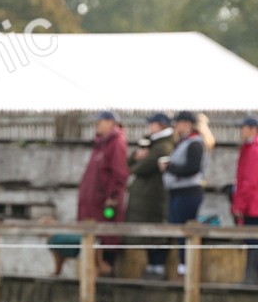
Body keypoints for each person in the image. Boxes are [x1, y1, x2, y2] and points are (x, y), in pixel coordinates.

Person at [76, 110, 129, 276]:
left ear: (111, 122)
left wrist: (112, 197)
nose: (96, 125)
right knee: (93, 238)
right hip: (92, 206)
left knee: (106, 238)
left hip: (105, 205)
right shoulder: (100, 144)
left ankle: (106, 276)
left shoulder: (116, 143)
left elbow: (119, 173)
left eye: (99, 122)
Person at [125, 113, 177, 278]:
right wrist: (136, 156)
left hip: (155, 197)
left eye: (152, 124)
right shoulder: (149, 142)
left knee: (156, 233)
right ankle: (151, 266)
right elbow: (131, 162)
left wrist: (138, 163)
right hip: (144, 198)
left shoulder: (164, 145)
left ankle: (158, 267)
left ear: (161, 125)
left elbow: (143, 167)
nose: (149, 127)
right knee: (146, 233)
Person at [160, 110, 208, 276]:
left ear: (186, 123)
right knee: (179, 230)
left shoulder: (194, 143)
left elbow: (193, 168)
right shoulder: (183, 142)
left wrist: (169, 168)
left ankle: (188, 267)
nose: (175, 126)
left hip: (188, 193)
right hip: (178, 192)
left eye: (178, 122)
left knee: (185, 231)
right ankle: (183, 265)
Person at [231, 115, 258, 284]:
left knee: (253, 242)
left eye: (243, 127)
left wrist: (239, 205)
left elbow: (249, 181)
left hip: (253, 207)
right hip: (252, 205)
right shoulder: (249, 148)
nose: (241, 131)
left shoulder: (253, 150)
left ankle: (251, 280)